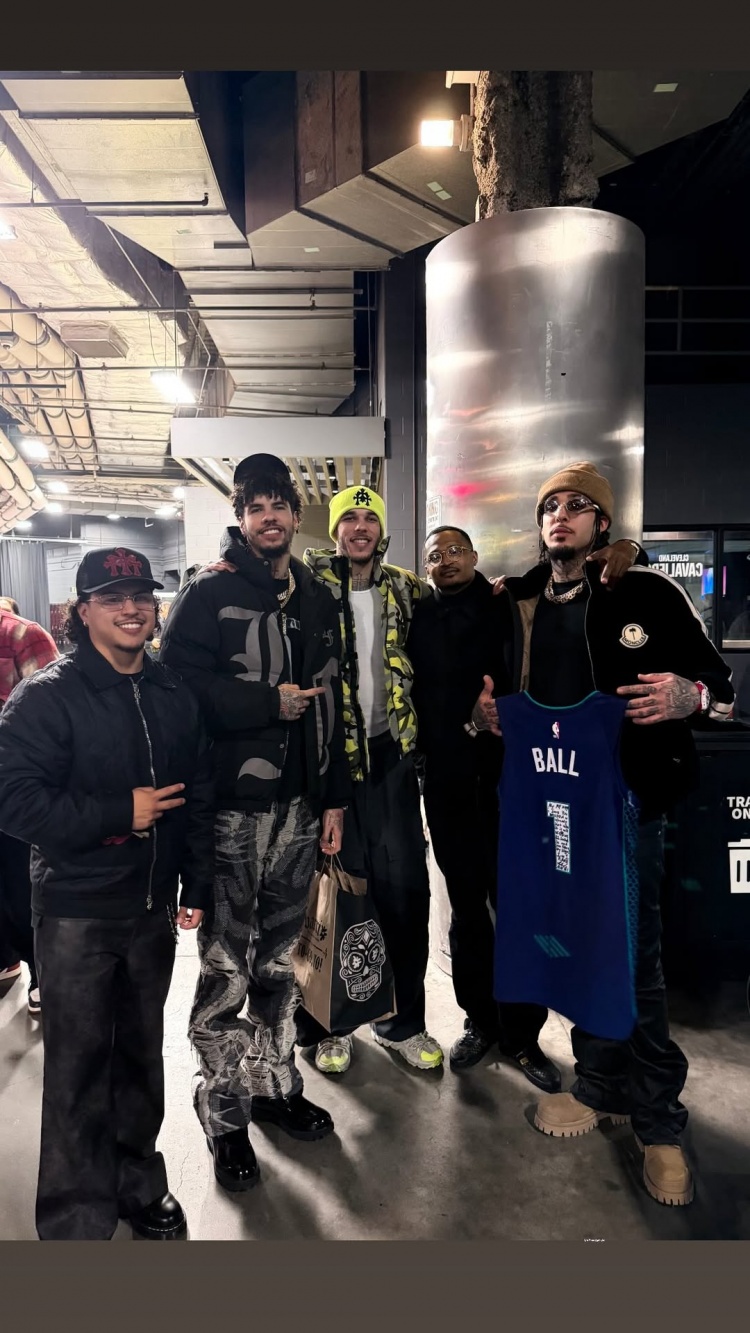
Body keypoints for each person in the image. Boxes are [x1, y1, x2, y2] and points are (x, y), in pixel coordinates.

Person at [472, 461, 734, 1207]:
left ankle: (658, 1120)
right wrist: (482, 715)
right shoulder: (517, 600)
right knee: (574, 941)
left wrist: (690, 695)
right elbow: (490, 693)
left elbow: (720, 688)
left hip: (628, 806)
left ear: (603, 523)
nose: (561, 515)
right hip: (548, 805)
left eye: (578, 506)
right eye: (550, 505)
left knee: (634, 955)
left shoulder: (644, 593)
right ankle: (598, 1082)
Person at [0, 547, 213, 1240]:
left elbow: (197, 794)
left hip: (150, 909)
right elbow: (14, 801)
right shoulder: (46, 696)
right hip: (76, 912)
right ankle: (75, 1212)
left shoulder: (172, 691)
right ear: (83, 610)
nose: (131, 608)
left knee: (140, 1056)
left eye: (142, 596)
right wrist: (122, 811)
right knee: (77, 1067)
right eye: (113, 597)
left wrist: (196, 880)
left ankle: (138, 1183)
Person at [160, 454, 349, 1194]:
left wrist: (333, 799)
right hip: (232, 812)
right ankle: (224, 1109)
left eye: (279, 505)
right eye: (255, 506)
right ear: (240, 518)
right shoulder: (207, 593)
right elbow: (178, 688)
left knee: (281, 962)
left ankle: (273, 1085)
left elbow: (335, 702)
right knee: (225, 967)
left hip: (301, 809)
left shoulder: (318, 596)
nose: (269, 518)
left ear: (297, 515)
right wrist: (267, 704)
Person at [408, 524, 641, 1088]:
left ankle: (523, 1035)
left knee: (521, 905)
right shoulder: (416, 615)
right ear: (426, 565)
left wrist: (628, 548)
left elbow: (565, 565)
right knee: (466, 908)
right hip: (446, 781)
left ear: (475, 556)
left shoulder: (507, 601)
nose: (447, 560)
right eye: (435, 554)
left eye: (457, 550)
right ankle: (478, 1020)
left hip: (514, 781)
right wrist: (461, 727)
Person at [0, 599, 59, 1014]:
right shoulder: (24, 632)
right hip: (18, 781)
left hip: (16, 784)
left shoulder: (20, 634)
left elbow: (53, 715)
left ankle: (39, 973)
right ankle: (16, 963)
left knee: (22, 880)